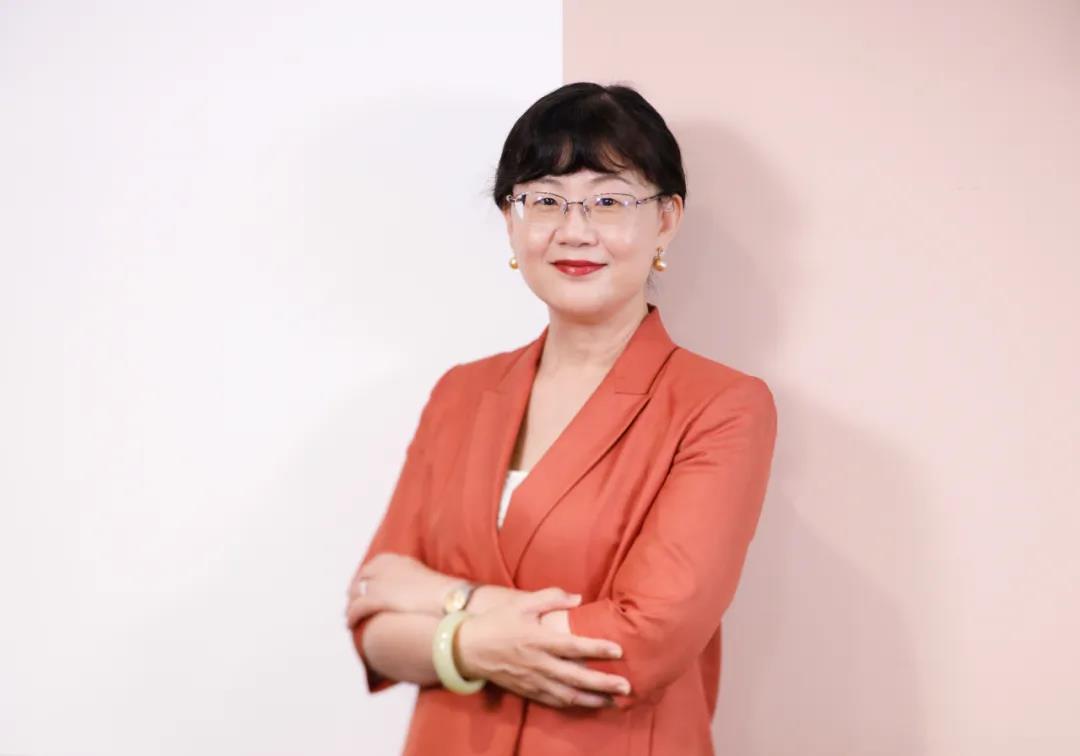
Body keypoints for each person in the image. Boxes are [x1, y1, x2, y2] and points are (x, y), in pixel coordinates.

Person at [344, 81, 778, 755]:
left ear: (666, 219)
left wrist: (446, 622)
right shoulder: (461, 393)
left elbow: (639, 644)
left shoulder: (720, 406)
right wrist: (476, 612)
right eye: (545, 200)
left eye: (608, 200)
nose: (574, 230)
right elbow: (373, 615)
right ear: (511, 219)